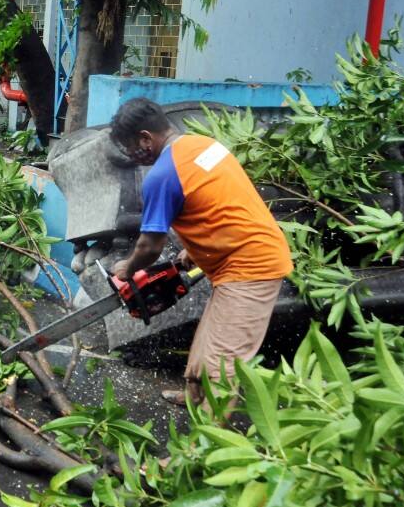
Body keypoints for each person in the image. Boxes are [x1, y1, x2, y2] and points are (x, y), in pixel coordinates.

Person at [109, 98, 292, 409]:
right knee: (205, 344)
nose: (131, 154)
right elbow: (219, 201)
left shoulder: (163, 174)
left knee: (223, 365)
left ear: (145, 138)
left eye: (131, 146)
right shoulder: (203, 145)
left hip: (251, 269)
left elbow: (149, 247)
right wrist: (193, 249)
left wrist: (127, 268)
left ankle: (200, 452)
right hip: (240, 258)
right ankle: (194, 399)